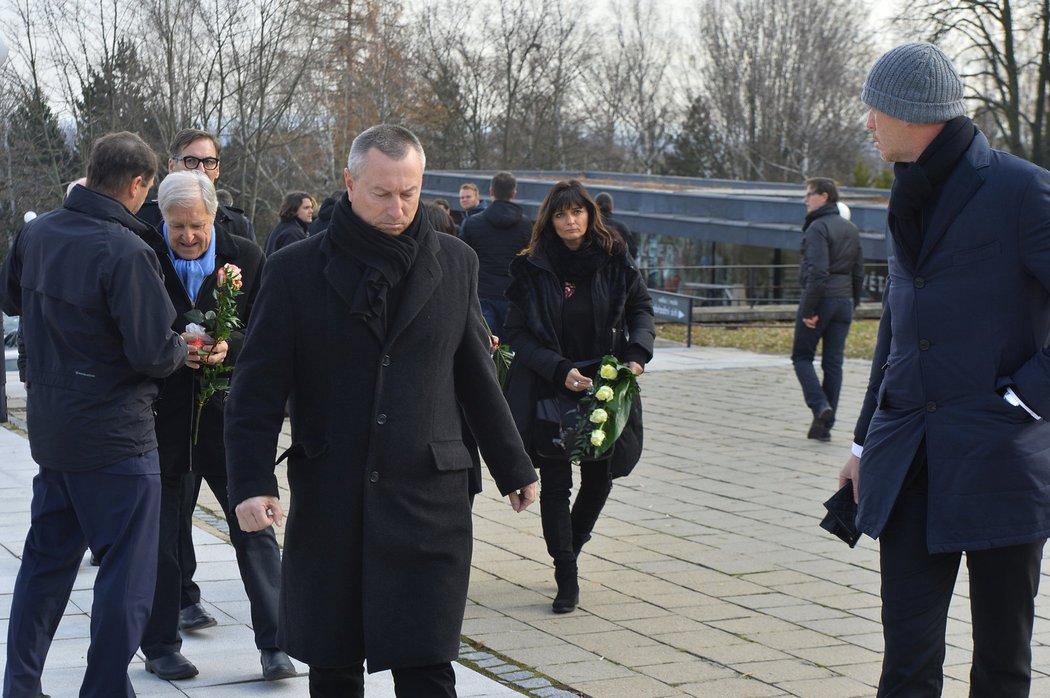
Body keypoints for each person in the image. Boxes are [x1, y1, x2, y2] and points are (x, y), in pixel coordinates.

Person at [224, 124, 538, 697]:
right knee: (334, 661)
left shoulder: (457, 261)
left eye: (409, 193)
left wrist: (513, 465)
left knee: (427, 664)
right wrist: (249, 481)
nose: (398, 208)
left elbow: (475, 373)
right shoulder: (295, 270)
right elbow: (256, 389)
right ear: (349, 182)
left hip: (429, 498)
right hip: (332, 494)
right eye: (382, 193)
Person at [841, 42, 1050, 696]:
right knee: (904, 666)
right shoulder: (904, 196)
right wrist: (861, 442)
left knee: (1001, 666)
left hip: (1000, 461)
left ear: (913, 112)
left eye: (876, 109)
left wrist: (1024, 401)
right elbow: (899, 330)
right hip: (907, 462)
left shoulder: (1020, 189)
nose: (869, 123)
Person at [0, 131, 193, 698]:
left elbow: (10, 299)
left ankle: (21, 685)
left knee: (45, 565)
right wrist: (186, 347)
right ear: (138, 184)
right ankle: (106, 689)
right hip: (116, 437)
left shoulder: (37, 232)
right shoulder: (126, 249)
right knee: (126, 580)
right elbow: (153, 353)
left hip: (54, 426)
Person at [136, 171, 294, 682]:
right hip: (163, 418)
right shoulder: (140, 253)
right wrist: (172, 349)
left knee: (254, 529)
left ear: (213, 216)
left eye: (196, 226)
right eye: (176, 226)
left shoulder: (246, 256)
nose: (186, 236)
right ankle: (161, 645)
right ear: (161, 218)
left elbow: (273, 334)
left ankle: (277, 644)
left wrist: (234, 347)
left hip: (231, 419)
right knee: (160, 536)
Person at [503, 179, 655, 614]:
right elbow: (516, 334)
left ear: (590, 214)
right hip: (552, 380)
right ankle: (565, 573)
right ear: (550, 220)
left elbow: (640, 309)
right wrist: (557, 369)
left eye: (577, 212)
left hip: (605, 384)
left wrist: (637, 355)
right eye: (561, 214)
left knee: (599, 477)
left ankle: (571, 542)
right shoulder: (531, 267)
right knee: (555, 483)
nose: (570, 221)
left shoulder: (614, 257)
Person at [791, 177, 863, 442]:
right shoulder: (851, 229)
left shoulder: (817, 228)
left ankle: (820, 405)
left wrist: (809, 310)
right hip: (843, 302)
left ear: (824, 196)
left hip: (821, 301)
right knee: (834, 362)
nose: (805, 200)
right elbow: (858, 273)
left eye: (809, 194)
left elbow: (818, 272)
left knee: (801, 357)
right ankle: (825, 426)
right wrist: (852, 305)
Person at [140, 128, 258, 243]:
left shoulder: (239, 226)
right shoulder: (143, 220)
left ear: (217, 170)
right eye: (191, 161)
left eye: (209, 162)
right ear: (171, 166)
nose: (200, 170)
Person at [460, 171, 532, 337]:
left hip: (483, 293)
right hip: (513, 293)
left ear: (491, 191)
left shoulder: (473, 223)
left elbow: (463, 259)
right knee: (511, 349)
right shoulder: (525, 225)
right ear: (514, 193)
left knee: (484, 348)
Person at [264, 191, 314, 255]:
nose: (311, 211)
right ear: (294, 209)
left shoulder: (280, 228)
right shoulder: (292, 233)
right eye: (306, 208)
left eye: (311, 207)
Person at [594, 192, 639, 259]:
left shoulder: (589, 226)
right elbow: (633, 252)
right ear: (611, 207)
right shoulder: (621, 227)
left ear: (594, 206)